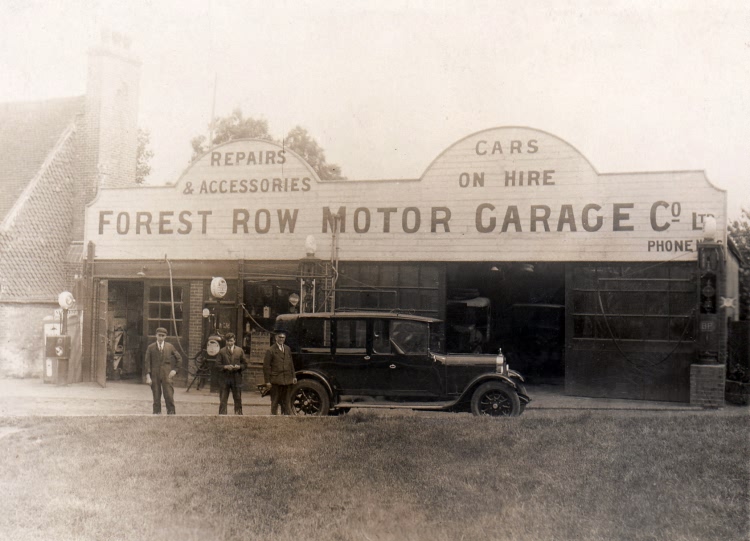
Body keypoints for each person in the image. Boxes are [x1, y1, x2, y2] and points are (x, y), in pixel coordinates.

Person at [144, 327, 182, 414]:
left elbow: (179, 359)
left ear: (165, 337)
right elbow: (147, 362)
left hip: (167, 374)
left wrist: (175, 370)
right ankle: (157, 414)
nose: (161, 337)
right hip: (155, 375)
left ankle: (171, 414)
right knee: (156, 396)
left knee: (169, 395)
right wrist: (148, 376)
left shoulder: (170, 347)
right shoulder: (151, 347)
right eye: (159, 335)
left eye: (163, 336)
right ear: (156, 336)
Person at [262, 330, 297, 415]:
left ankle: (285, 419)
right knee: (275, 401)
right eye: (280, 337)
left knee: (286, 401)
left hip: (287, 380)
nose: (281, 339)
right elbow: (266, 367)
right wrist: (267, 381)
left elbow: (291, 364)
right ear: (276, 338)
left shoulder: (287, 349)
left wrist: (294, 376)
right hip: (276, 380)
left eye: (283, 337)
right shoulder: (270, 350)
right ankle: (274, 419)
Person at [216, 333, 247, 415]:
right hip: (225, 379)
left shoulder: (239, 351)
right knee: (223, 399)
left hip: (236, 378)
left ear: (234, 341)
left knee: (237, 398)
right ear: (225, 341)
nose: (229, 343)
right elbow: (217, 365)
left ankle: (238, 415)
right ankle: (222, 416)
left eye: (231, 341)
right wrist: (225, 367)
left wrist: (239, 367)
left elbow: (245, 364)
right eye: (228, 341)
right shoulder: (222, 351)